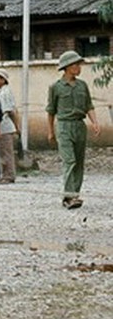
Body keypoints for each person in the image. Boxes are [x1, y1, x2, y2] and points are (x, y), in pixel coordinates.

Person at [46, 51, 102, 209]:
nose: (79, 67)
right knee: (69, 161)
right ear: (66, 67)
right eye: (75, 64)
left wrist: (95, 122)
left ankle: (74, 195)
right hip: (64, 126)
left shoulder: (82, 85)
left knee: (78, 162)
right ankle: (69, 196)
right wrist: (50, 131)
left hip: (79, 126)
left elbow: (88, 105)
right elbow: (51, 110)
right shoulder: (55, 87)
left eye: (79, 64)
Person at [0, 69, 18, 184]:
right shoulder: (1, 92)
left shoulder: (5, 92)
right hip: (3, 125)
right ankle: (6, 174)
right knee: (3, 151)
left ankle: (9, 175)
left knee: (6, 152)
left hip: (5, 125)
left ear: (3, 79)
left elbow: (10, 111)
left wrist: (17, 126)